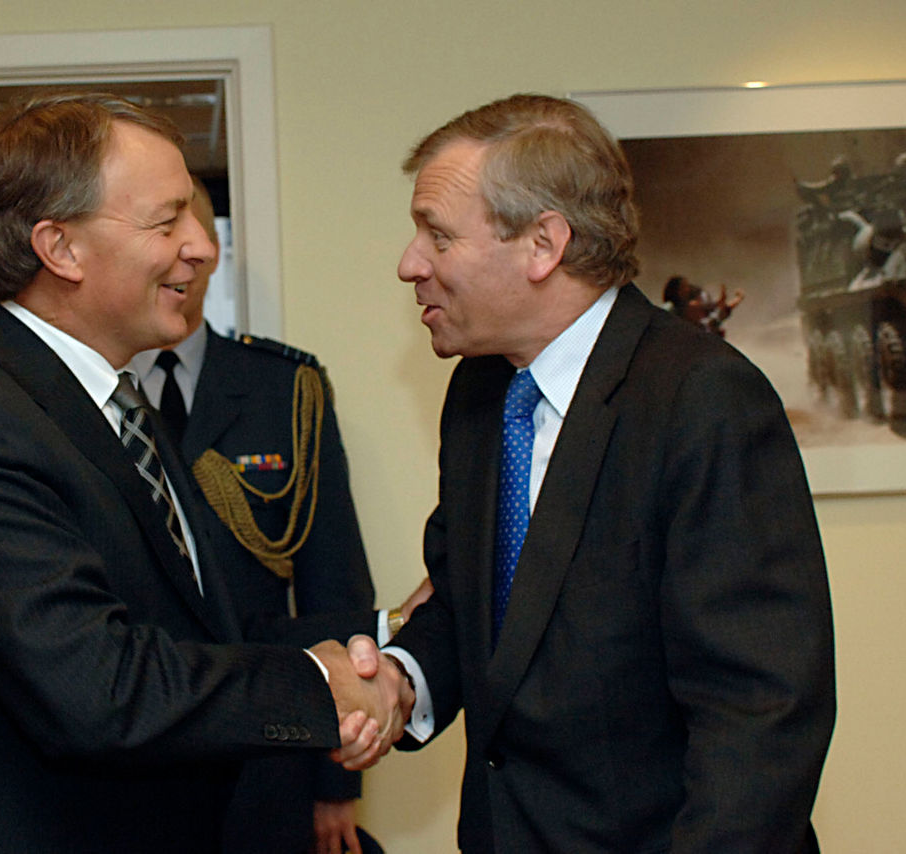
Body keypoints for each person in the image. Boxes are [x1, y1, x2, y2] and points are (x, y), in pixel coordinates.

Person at [0, 93, 409, 854]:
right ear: (60, 248)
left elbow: (199, 632)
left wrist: (388, 638)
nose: (200, 246)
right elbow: (99, 689)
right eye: (167, 222)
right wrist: (322, 687)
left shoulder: (117, 403)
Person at [353, 93, 836, 853]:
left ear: (543, 243)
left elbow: (760, 711)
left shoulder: (701, 398)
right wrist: (404, 679)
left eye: (437, 236)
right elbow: (473, 605)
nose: (410, 264)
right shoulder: (481, 391)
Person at [130, 180, 429, 854]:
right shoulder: (98, 396)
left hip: (271, 750)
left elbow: (332, 580)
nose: (187, 264)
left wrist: (335, 785)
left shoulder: (282, 389)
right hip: (137, 746)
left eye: (199, 250)